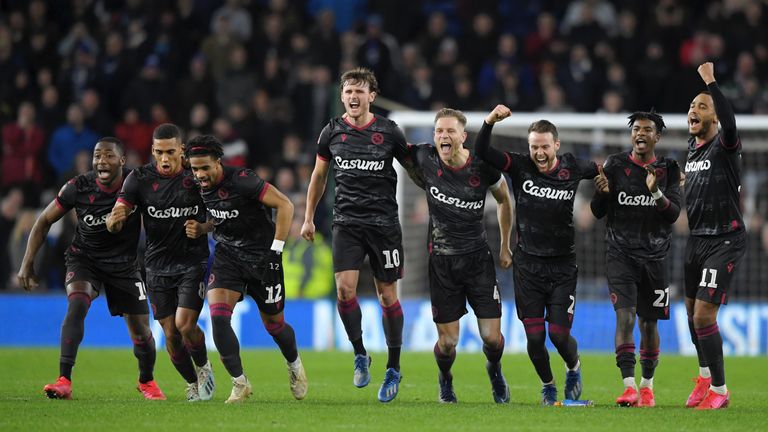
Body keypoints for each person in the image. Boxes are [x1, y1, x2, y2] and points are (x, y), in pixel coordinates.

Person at [17, 138, 165, 400]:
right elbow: (43, 221)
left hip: (125, 265)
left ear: (122, 160)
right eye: (97, 156)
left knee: (142, 331)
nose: (101, 161)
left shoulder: (135, 184)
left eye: (108, 156)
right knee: (77, 304)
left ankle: (147, 381)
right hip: (85, 259)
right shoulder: (78, 186)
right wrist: (27, 263)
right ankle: (64, 380)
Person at [301, 67, 415, 402]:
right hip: (347, 223)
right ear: (342, 97)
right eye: (348, 91)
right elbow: (319, 176)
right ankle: (360, 353)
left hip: (384, 226)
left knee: (387, 297)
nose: (353, 96)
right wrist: (308, 217)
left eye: (360, 91)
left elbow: (413, 168)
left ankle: (393, 367)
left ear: (372, 96)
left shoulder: (389, 131)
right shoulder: (332, 132)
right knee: (344, 290)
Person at [475, 104, 598, 405]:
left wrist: (606, 192)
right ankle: (548, 385)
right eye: (534, 147)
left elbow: (606, 171)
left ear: (556, 144)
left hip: (562, 266)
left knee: (558, 335)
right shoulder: (520, 165)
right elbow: (482, 150)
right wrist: (490, 121)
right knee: (534, 338)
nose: (539, 153)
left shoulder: (573, 167)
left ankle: (573, 366)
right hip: (527, 266)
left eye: (544, 146)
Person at [185, 134, 307, 403]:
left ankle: (294, 364)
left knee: (274, 325)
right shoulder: (198, 186)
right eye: (195, 169)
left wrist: (276, 251)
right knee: (217, 316)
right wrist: (203, 227)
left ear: (218, 162)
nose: (200, 174)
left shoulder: (242, 179)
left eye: (205, 168)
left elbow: (285, 205)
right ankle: (239, 382)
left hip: (263, 258)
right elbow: (218, 218)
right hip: (228, 256)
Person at [409, 108, 514, 403]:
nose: (444, 135)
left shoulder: (482, 166)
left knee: (492, 339)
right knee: (448, 342)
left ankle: (494, 369)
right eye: (439, 131)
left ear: (463, 136)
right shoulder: (424, 158)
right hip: (442, 262)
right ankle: (445, 379)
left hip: (478, 260)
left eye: (450, 131)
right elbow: (393, 148)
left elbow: (504, 200)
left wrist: (506, 245)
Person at [106, 124, 215, 402]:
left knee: (184, 325)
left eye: (170, 152)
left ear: (181, 150)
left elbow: (223, 213)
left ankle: (203, 367)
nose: (164, 159)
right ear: (152, 151)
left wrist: (203, 228)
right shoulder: (139, 179)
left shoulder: (197, 176)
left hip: (192, 261)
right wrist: (113, 221)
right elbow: (119, 210)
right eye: (158, 152)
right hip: (156, 266)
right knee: (170, 333)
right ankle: (192, 382)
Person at [590, 111, 681, 407]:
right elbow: (597, 211)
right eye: (636, 129)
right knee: (625, 317)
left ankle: (648, 386)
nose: (640, 134)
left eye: (647, 130)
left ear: (658, 137)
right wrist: (601, 194)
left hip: (655, 257)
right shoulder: (615, 165)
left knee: (649, 324)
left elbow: (672, 215)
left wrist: (654, 192)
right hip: (620, 254)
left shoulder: (668, 168)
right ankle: (629, 386)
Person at [682, 62, 746, 410]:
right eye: (692, 105)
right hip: (696, 239)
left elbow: (732, 124)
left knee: (705, 316)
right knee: (691, 313)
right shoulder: (691, 150)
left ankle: (720, 391)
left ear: (715, 118)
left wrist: (711, 83)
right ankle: (705, 376)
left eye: (703, 106)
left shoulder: (726, 145)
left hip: (725, 238)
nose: (694, 109)